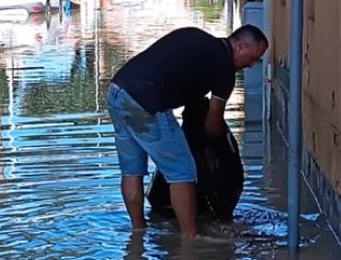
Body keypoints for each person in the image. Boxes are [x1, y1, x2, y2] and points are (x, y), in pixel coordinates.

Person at [106, 25, 268, 238]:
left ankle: (138, 232)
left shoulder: (196, 37)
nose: (252, 64)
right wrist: (212, 151)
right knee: (182, 172)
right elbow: (213, 122)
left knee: (131, 171)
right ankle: (190, 239)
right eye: (253, 57)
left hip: (117, 92)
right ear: (240, 46)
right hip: (147, 101)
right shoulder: (224, 68)